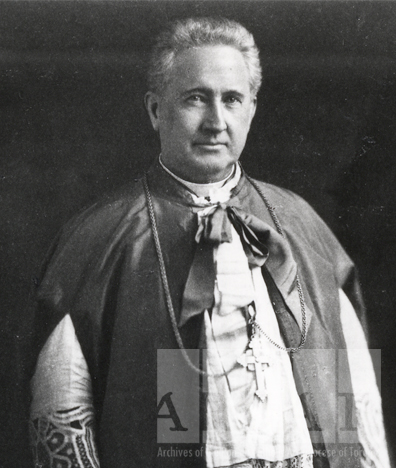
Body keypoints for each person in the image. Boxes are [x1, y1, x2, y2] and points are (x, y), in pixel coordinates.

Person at [28, 17, 390, 468]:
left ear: (252, 109)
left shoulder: (299, 222)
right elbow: (61, 411)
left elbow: (354, 388)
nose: (216, 121)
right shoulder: (103, 236)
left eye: (232, 99)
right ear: (156, 110)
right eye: (196, 98)